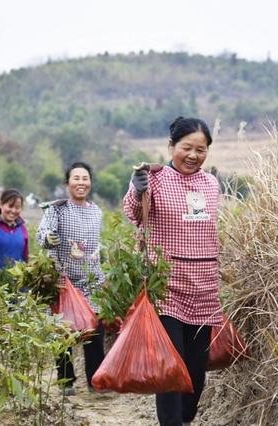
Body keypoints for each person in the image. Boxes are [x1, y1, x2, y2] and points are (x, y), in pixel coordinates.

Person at [123, 117, 224, 426]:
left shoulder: (211, 184)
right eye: (187, 148)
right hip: (167, 286)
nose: (193, 155)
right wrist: (137, 190)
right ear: (171, 146)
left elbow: (211, 231)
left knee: (195, 371)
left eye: (201, 149)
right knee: (170, 368)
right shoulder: (153, 178)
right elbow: (132, 214)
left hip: (204, 289)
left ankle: (184, 419)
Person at [36, 161, 106, 396]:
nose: (81, 183)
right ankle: (66, 381)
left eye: (85, 178)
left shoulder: (96, 211)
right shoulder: (56, 209)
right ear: (67, 184)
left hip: (90, 280)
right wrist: (49, 238)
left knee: (94, 330)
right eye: (76, 178)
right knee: (64, 333)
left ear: (90, 183)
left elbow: (96, 246)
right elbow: (43, 233)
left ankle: (95, 381)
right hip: (63, 280)